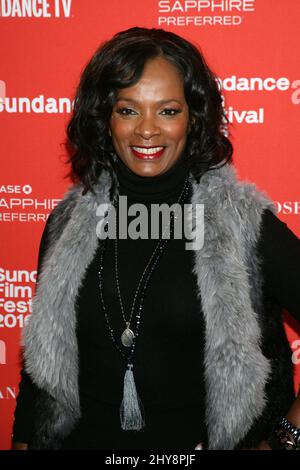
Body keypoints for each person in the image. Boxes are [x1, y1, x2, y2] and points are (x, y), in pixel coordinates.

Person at [12, 27, 300, 451]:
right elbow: (39, 375)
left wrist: (285, 439)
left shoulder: (242, 223)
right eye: (129, 110)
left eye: (167, 111)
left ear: (194, 116)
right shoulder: (67, 222)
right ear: (105, 117)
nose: (147, 130)